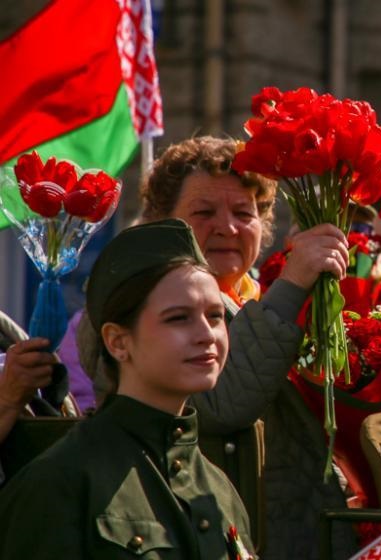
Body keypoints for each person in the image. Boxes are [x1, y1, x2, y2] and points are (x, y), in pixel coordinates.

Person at [77, 136, 356, 559]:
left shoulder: (268, 296)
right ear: (161, 223)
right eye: (203, 213)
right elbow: (224, 402)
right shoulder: (130, 302)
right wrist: (295, 284)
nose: (227, 227)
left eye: (245, 213)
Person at [0, 219, 255, 558]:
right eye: (178, 318)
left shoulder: (219, 489)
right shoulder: (61, 482)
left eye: (215, 316)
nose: (206, 334)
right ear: (118, 342)